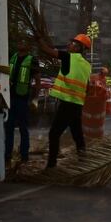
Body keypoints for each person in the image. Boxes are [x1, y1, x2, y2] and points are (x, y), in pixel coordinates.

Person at [45, 34, 93, 169]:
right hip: (77, 104)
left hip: (67, 103)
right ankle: (83, 162)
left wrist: (38, 39)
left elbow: (47, 51)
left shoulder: (68, 57)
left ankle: (51, 166)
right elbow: (87, 87)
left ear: (78, 47)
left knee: (54, 133)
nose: (69, 45)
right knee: (77, 135)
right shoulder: (87, 65)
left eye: (72, 43)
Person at [5, 42, 40, 165]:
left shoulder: (32, 60)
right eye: (20, 41)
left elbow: (38, 80)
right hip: (10, 97)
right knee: (8, 128)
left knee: (23, 128)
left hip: (23, 99)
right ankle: (7, 155)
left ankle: (24, 156)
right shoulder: (13, 57)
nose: (21, 43)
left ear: (28, 47)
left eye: (24, 42)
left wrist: (35, 99)